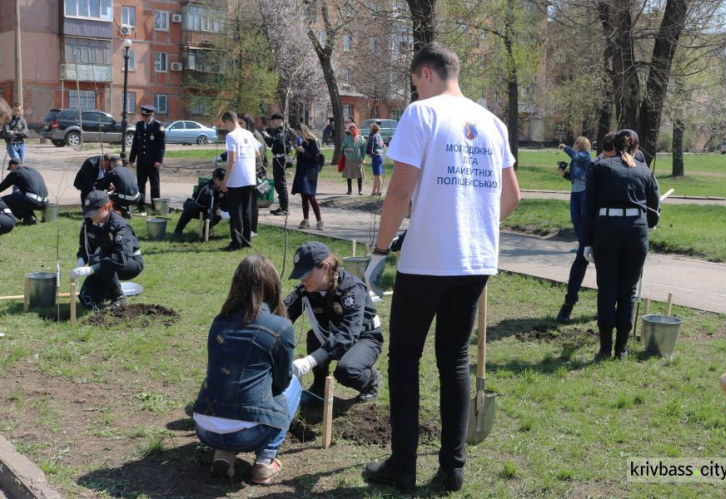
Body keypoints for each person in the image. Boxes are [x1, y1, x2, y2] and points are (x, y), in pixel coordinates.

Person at [361, 42, 521, 493]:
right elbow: (512, 197)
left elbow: (398, 193)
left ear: (426, 74)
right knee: (454, 359)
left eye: (415, 83)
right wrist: (471, 223)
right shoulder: (493, 123)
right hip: (475, 260)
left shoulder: (422, 114)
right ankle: (453, 467)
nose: (416, 90)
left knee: (405, 357)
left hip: (428, 259)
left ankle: (403, 465)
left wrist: (379, 250)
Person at [192, 255, 300, 485]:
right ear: (272, 286)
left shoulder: (219, 321)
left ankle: (223, 453)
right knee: (295, 384)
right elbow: (282, 382)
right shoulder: (280, 326)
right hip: (249, 433)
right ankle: (265, 460)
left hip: (204, 428)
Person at [582, 129, 660, 361]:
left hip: (607, 230)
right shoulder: (645, 170)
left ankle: (605, 348)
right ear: (636, 148)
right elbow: (654, 208)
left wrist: (587, 241)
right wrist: (650, 225)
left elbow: (589, 208)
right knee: (628, 292)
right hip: (635, 232)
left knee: (607, 290)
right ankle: (621, 349)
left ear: (614, 147)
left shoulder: (600, 167)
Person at [284, 241, 383, 405]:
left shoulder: (351, 289)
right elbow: (283, 317)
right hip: (331, 334)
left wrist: (310, 360)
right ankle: (319, 386)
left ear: (325, 267)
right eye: (300, 275)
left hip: (364, 338)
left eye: (307, 274)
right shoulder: (306, 289)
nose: (303, 280)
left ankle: (370, 380)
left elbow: (348, 333)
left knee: (346, 371)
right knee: (314, 337)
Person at [71, 190, 144, 310]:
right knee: (86, 299)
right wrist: (80, 261)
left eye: (94, 212)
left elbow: (121, 258)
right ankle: (109, 289)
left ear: (106, 207)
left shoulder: (120, 226)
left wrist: (92, 269)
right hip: (104, 261)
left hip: (130, 262)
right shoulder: (88, 223)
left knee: (96, 260)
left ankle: (119, 298)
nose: (90, 216)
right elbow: (85, 248)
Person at [555, 136, 592, 323]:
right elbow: (574, 176)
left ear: (582, 145)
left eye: (577, 143)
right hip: (575, 192)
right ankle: (581, 242)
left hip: (584, 191)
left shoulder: (584, 155)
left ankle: (584, 243)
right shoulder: (576, 158)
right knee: (575, 220)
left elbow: (577, 157)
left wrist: (565, 147)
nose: (575, 145)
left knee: (583, 220)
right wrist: (564, 174)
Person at [221, 111, 261, 251]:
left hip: (236, 178)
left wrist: (225, 180)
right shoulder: (249, 134)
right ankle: (246, 240)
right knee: (247, 211)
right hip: (249, 177)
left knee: (235, 211)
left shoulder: (231, 136)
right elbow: (257, 153)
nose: (225, 127)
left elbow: (232, 159)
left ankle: (236, 242)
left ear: (229, 122)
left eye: (225, 124)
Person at [173, 167, 228, 240]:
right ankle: (178, 230)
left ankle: (205, 232)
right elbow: (208, 202)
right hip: (198, 207)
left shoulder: (226, 188)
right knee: (192, 207)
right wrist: (220, 212)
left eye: (225, 179)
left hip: (211, 210)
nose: (223, 182)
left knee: (219, 214)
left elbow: (226, 203)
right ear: (215, 179)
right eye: (221, 180)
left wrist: (226, 212)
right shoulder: (206, 187)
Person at [129, 105, 165, 213]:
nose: (144, 118)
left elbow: (161, 146)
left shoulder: (158, 126)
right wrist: (132, 159)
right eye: (143, 116)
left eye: (147, 116)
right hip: (141, 161)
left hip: (153, 162)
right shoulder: (139, 125)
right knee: (140, 184)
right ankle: (141, 206)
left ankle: (155, 208)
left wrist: (158, 161)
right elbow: (135, 143)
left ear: (152, 114)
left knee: (154, 185)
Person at [291, 123, 324, 231]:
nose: (298, 135)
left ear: (303, 131)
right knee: (304, 195)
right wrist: (297, 150)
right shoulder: (302, 141)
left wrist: (303, 151)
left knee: (310, 195)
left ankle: (319, 220)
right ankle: (306, 219)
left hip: (311, 171)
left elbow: (314, 158)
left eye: (299, 133)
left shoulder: (313, 141)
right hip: (302, 170)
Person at [0, 159, 48, 225]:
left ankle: (28, 217)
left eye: (10, 169)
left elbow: (2, 187)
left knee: (2, 201)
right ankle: (30, 218)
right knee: (18, 197)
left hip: (32, 201)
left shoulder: (16, 172)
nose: (10, 171)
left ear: (12, 166)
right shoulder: (33, 170)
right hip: (45, 202)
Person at [261, 113, 292, 216]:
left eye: (274, 120)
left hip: (281, 158)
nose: (272, 122)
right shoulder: (277, 131)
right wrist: (266, 137)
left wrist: (267, 136)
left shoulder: (284, 131)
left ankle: (285, 208)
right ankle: (282, 207)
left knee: (281, 183)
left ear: (280, 120)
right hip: (276, 158)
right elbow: (271, 144)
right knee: (278, 184)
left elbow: (278, 142)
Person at [341, 123, 366, 195]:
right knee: (349, 175)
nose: (352, 131)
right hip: (349, 159)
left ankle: (360, 190)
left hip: (358, 160)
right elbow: (342, 149)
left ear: (356, 130)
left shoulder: (361, 138)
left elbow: (364, 150)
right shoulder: (347, 138)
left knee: (359, 175)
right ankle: (349, 190)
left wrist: (363, 159)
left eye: (354, 130)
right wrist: (347, 149)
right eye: (351, 130)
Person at [367, 123, 385, 196]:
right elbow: (383, 146)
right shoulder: (379, 136)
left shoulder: (373, 137)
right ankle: (374, 191)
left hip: (376, 156)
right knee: (375, 175)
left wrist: (369, 153)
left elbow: (370, 147)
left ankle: (379, 191)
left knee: (378, 175)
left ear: (372, 129)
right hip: (380, 156)